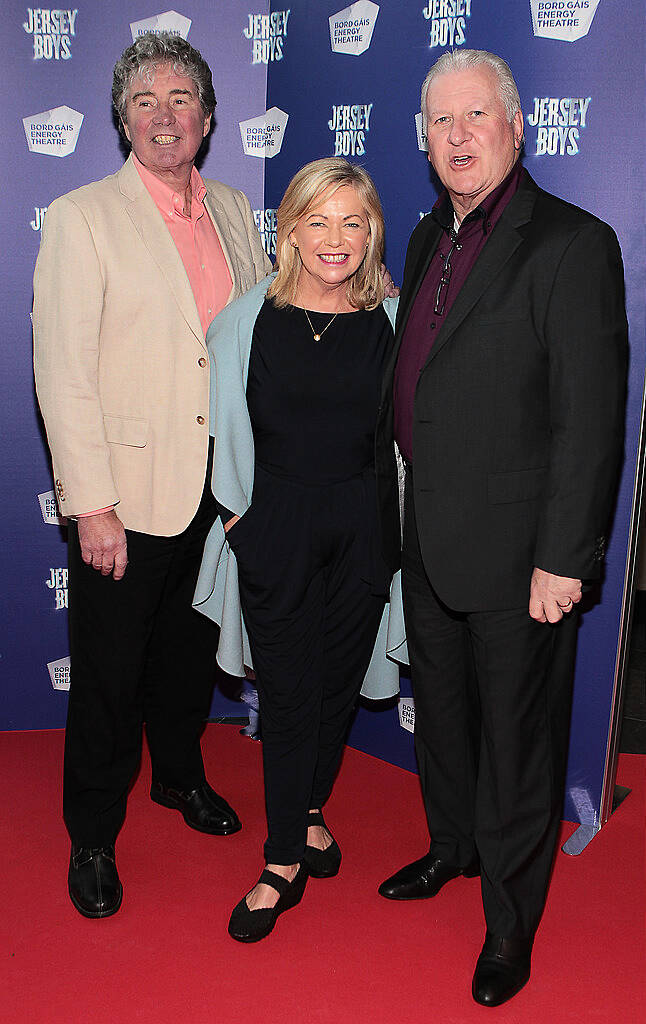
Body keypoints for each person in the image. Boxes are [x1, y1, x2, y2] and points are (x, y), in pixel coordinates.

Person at [374, 50, 628, 1006]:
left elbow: (588, 419)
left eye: (476, 116)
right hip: (429, 538)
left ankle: (511, 927)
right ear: (425, 142)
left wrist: (564, 559)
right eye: (441, 122)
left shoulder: (572, 242)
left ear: (518, 127)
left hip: (524, 556)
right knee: (442, 722)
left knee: (519, 746)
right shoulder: (428, 237)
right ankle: (451, 851)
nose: (458, 136)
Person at [32, 32, 272, 919]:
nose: (165, 116)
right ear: (122, 120)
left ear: (208, 119)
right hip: (127, 496)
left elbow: (262, 337)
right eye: (146, 101)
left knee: (188, 656)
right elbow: (62, 371)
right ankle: (92, 832)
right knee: (108, 670)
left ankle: (178, 778)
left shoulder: (239, 212)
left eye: (182, 100)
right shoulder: (82, 215)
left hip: (223, 492)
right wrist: (89, 503)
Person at [193, 158, 405, 942]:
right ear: (288, 231)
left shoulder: (393, 318)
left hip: (362, 528)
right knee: (285, 695)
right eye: (318, 221)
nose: (335, 239)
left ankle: (310, 808)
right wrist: (235, 520)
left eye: (353, 222)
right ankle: (282, 857)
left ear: (373, 233)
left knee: (335, 691)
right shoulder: (248, 319)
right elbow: (214, 427)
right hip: (274, 527)